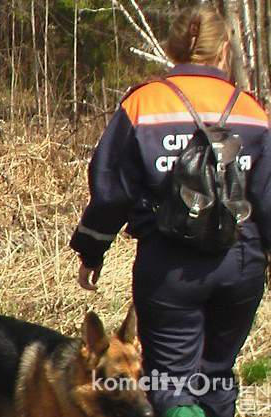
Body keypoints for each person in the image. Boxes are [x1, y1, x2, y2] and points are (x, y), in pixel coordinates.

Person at [70, 5, 270, 417]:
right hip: (240, 261)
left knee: (170, 382)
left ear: (172, 48)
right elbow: (267, 196)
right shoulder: (252, 110)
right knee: (216, 376)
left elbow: (111, 190)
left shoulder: (144, 105)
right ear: (223, 52)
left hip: (168, 266)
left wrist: (92, 251)